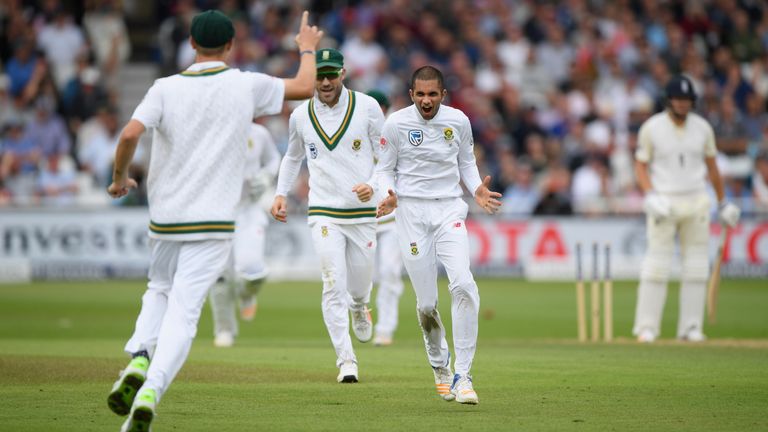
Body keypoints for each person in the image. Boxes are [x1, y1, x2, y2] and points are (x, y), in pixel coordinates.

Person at [105, 10, 322, 432]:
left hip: (166, 220)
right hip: (214, 222)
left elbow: (129, 134)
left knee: (158, 290)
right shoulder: (245, 84)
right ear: (230, 46)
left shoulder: (164, 87)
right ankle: (152, 387)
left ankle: (138, 360)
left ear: (190, 43)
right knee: (185, 313)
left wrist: (119, 178)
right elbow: (305, 86)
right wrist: (307, 47)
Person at [376, 66, 502, 405]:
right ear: (411, 94)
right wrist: (387, 194)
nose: (426, 100)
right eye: (420, 94)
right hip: (411, 214)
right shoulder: (396, 124)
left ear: (443, 95)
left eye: (433, 94)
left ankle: (464, 375)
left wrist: (475, 189)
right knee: (428, 305)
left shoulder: (458, 121)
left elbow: (465, 162)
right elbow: (384, 167)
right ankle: (439, 365)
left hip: (449, 209)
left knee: (462, 283)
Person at [271, 48, 385, 383]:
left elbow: (386, 157)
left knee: (360, 284)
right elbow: (292, 158)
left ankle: (360, 305)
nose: (324, 81)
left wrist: (373, 185)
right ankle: (345, 360)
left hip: (362, 212)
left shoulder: (367, 107)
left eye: (331, 74)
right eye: (319, 75)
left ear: (343, 74)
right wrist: (280, 193)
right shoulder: (300, 115)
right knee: (332, 282)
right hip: (323, 211)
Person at [633, 75, 740, 343]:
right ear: (668, 100)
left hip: (696, 200)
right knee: (656, 266)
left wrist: (722, 200)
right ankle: (647, 328)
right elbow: (640, 166)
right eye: (678, 100)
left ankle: (691, 327)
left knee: (695, 267)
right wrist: (650, 195)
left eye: (687, 100)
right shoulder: (652, 128)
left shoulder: (703, 128)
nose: (682, 104)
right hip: (664, 202)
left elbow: (712, 167)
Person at [209, 121, 280, 348]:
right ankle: (224, 330)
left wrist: (266, 176)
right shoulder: (213, 131)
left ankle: (247, 293)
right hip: (218, 211)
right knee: (220, 276)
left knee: (252, 271)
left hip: (249, 209)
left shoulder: (259, 133)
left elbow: (273, 159)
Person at [366, 89, 405, 347]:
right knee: (364, 275)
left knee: (390, 272)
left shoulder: (396, 133)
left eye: (381, 107)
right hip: (363, 218)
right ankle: (362, 313)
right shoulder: (354, 132)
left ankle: (385, 329)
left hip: (392, 219)